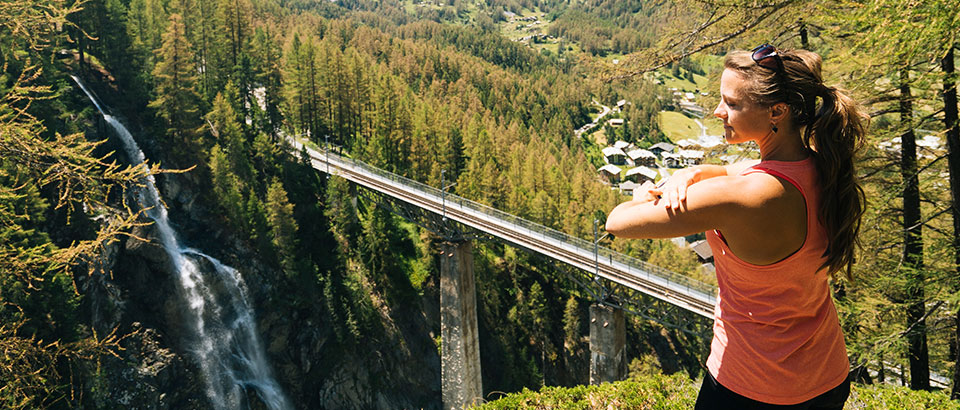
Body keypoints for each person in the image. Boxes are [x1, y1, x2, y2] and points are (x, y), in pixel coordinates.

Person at [605, 44, 868, 409]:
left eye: (731, 103)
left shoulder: (737, 198)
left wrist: (648, 194)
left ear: (777, 111)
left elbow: (617, 222)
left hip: (752, 386)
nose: (718, 111)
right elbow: (734, 172)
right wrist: (692, 171)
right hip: (826, 377)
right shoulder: (822, 168)